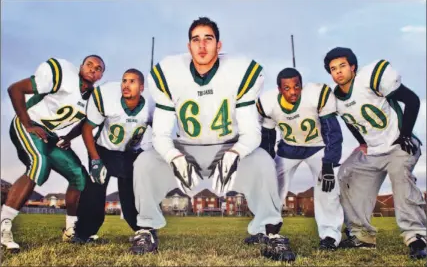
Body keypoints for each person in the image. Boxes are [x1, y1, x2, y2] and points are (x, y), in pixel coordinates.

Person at [129, 17, 296, 262]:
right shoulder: (169, 72)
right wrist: (174, 157)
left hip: (227, 144)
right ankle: (146, 229)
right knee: (144, 162)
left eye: (209, 39)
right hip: (185, 146)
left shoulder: (239, 71)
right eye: (196, 39)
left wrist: (235, 153)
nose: (202, 45)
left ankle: (270, 233)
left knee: (262, 161)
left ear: (219, 45)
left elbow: (251, 132)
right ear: (189, 47)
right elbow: (161, 134)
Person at [324, 47, 426, 259]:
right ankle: (361, 236)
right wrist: (362, 143)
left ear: (353, 66)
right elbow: (350, 121)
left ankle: (417, 237)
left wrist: (405, 133)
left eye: (342, 66)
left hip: (399, 143)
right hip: (373, 150)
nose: (338, 72)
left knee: (401, 176)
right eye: (333, 69)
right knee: (346, 173)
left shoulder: (370, 78)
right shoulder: (335, 98)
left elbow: (412, 100)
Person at [1, 55, 105, 251]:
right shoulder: (64, 73)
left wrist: (68, 138)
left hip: (51, 135)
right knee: (40, 163)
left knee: (79, 175)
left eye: (98, 68)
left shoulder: (93, 99)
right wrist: (27, 124)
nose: (93, 69)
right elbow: (15, 88)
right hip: (29, 124)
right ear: (80, 66)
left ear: (100, 76)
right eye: (89, 64)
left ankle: (70, 230)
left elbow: (85, 124)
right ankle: (4, 224)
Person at [247, 67, 343, 250]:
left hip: (317, 147)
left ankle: (330, 235)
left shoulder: (317, 94)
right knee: (269, 185)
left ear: (302, 85)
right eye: (287, 88)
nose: (292, 92)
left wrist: (329, 163)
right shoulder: (268, 103)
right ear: (279, 89)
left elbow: (332, 131)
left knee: (328, 186)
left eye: (296, 86)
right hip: (289, 148)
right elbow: (267, 137)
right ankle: (261, 229)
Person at [72, 68, 153, 243]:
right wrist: (95, 160)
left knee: (134, 194)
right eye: (124, 80)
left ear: (142, 87)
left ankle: (143, 232)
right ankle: (84, 233)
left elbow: (161, 131)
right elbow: (87, 128)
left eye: (132, 81)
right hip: (104, 151)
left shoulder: (152, 104)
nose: (126, 85)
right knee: (94, 192)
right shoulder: (108, 98)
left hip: (130, 154)